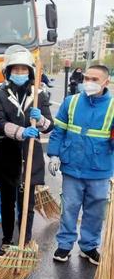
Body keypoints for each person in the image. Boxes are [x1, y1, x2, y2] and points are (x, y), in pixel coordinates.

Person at [0, 45, 53, 255]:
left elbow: (49, 124)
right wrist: (20, 131)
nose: (19, 73)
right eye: (15, 70)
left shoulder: (38, 94)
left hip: (30, 156)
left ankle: (24, 240)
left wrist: (40, 119)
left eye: (24, 70)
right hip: (7, 155)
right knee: (8, 201)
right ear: (8, 72)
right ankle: (7, 239)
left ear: (30, 72)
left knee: (27, 203)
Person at [48, 65, 114, 265]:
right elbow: (59, 131)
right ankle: (65, 245)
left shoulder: (112, 107)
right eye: (87, 78)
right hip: (72, 167)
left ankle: (88, 247)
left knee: (95, 211)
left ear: (106, 82)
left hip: (99, 169)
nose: (89, 82)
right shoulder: (71, 101)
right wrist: (53, 154)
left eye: (94, 79)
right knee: (69, 208)